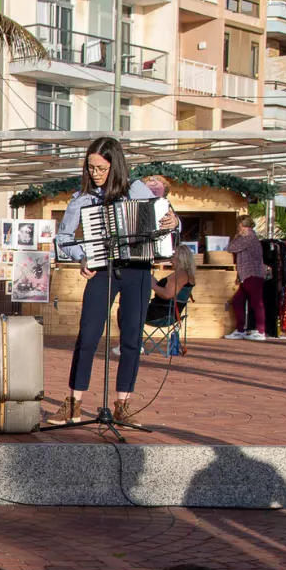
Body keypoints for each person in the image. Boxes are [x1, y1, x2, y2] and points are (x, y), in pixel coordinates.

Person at [53, 137, 180, 424]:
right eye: (91, 168)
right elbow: (63, 239)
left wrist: (175, 222)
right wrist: (83, 256)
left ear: (115, 165)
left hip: (138, 270)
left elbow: (166, 220)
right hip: (103, 269)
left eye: (101, 168)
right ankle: (73, 402)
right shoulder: (82, 199)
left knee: (132, 339)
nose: (95, 174)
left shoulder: (137, 189)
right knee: (88, 334)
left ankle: (123, 404)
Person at [226, 216, 270, 340]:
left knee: (256, 302)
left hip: (252, 273)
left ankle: (261, 331)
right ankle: (240, 330)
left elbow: (231, 248)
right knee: (238, 301)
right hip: (248, 274)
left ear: (242, 224)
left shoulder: (247, 236)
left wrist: (236, 236)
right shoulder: (251, 236)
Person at [146, 243, 200, 328]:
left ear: (179, 259)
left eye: (173, 258)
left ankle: (130, 340)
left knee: (126, 310)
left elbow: (168, 295)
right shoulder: (188, 275)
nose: (171, 261)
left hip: (161, 313)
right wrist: (155, 283)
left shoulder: (180, 275)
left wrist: (153, 285)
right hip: (169, 313)